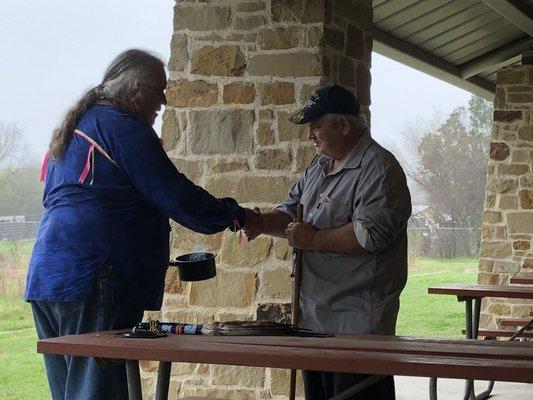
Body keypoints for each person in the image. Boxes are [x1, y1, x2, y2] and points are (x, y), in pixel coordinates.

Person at [24, 49, 260, 400]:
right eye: (158, 90)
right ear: (135, 91)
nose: (163, 100)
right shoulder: (123, 127)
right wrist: (234, 215)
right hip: (95, 279)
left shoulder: (79, 128)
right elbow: (175, 195)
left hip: (48, 278)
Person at [245, 84, 412, 400]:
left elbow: (369, 234)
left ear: (343, 125)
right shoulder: (318, 166)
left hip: (357, 328)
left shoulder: (379, 168)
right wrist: (260, 222)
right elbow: (291, 211)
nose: (310, 134)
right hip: (314, 321)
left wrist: (313, 239)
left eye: (316, 125)